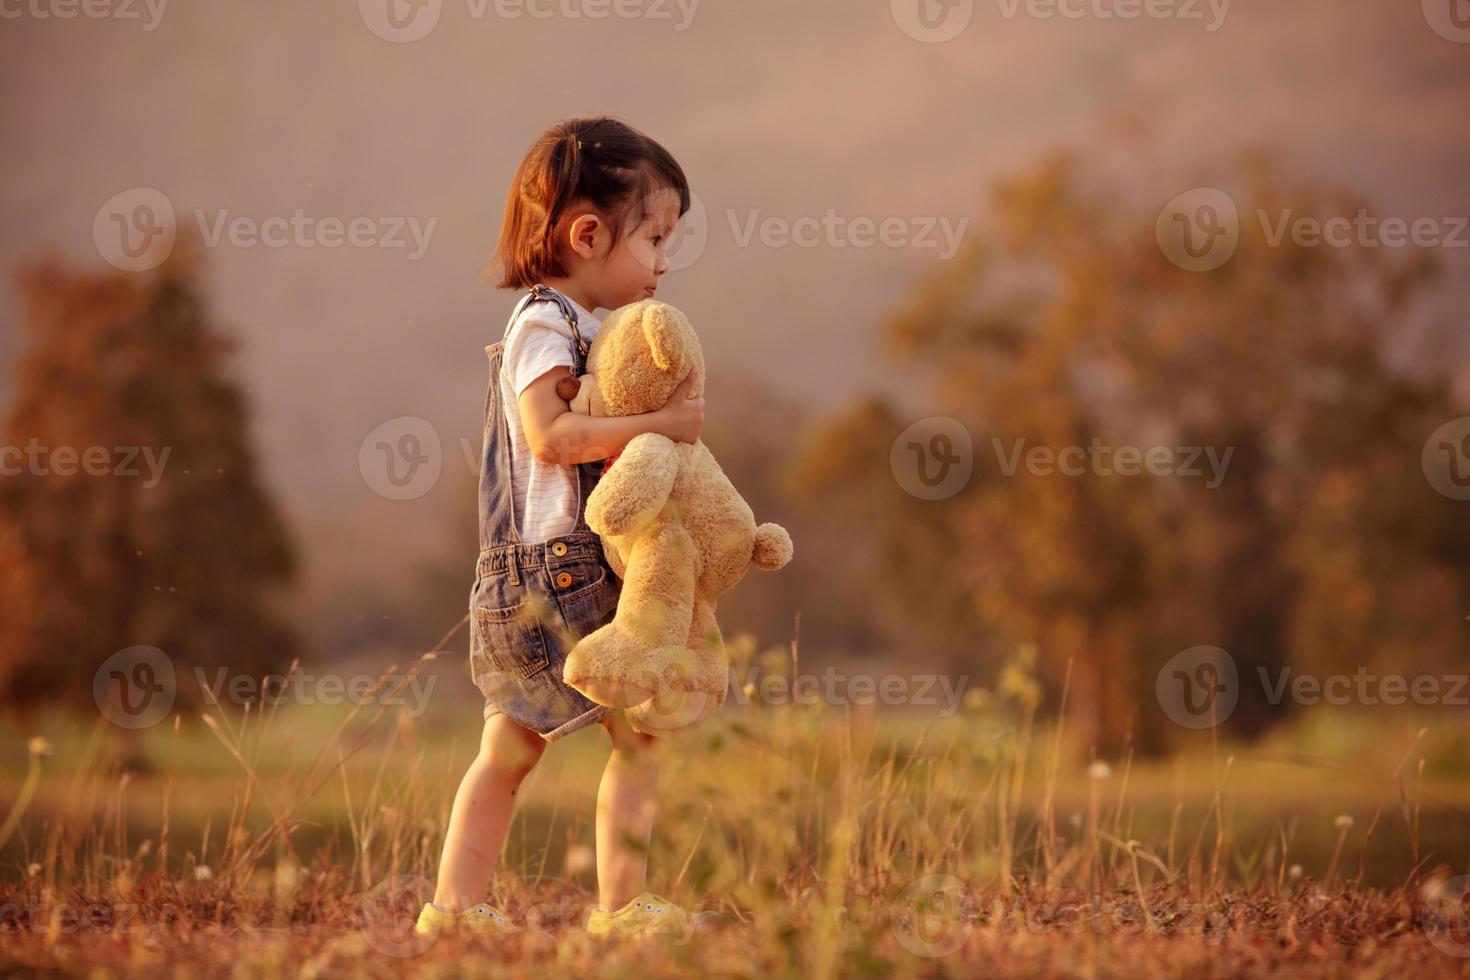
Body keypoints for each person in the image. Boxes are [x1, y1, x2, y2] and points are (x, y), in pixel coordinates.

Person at [415, 116, 705, 941]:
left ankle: (455, 911)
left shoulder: (576, 327)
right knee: (641, 734)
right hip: (559, 571)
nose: (665, 259)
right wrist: (665, 423)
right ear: (587, 233)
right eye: (653, 237)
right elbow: (552, 437)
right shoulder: (545, 325)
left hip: (519, 577)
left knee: (508, 750)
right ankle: (620, 909)